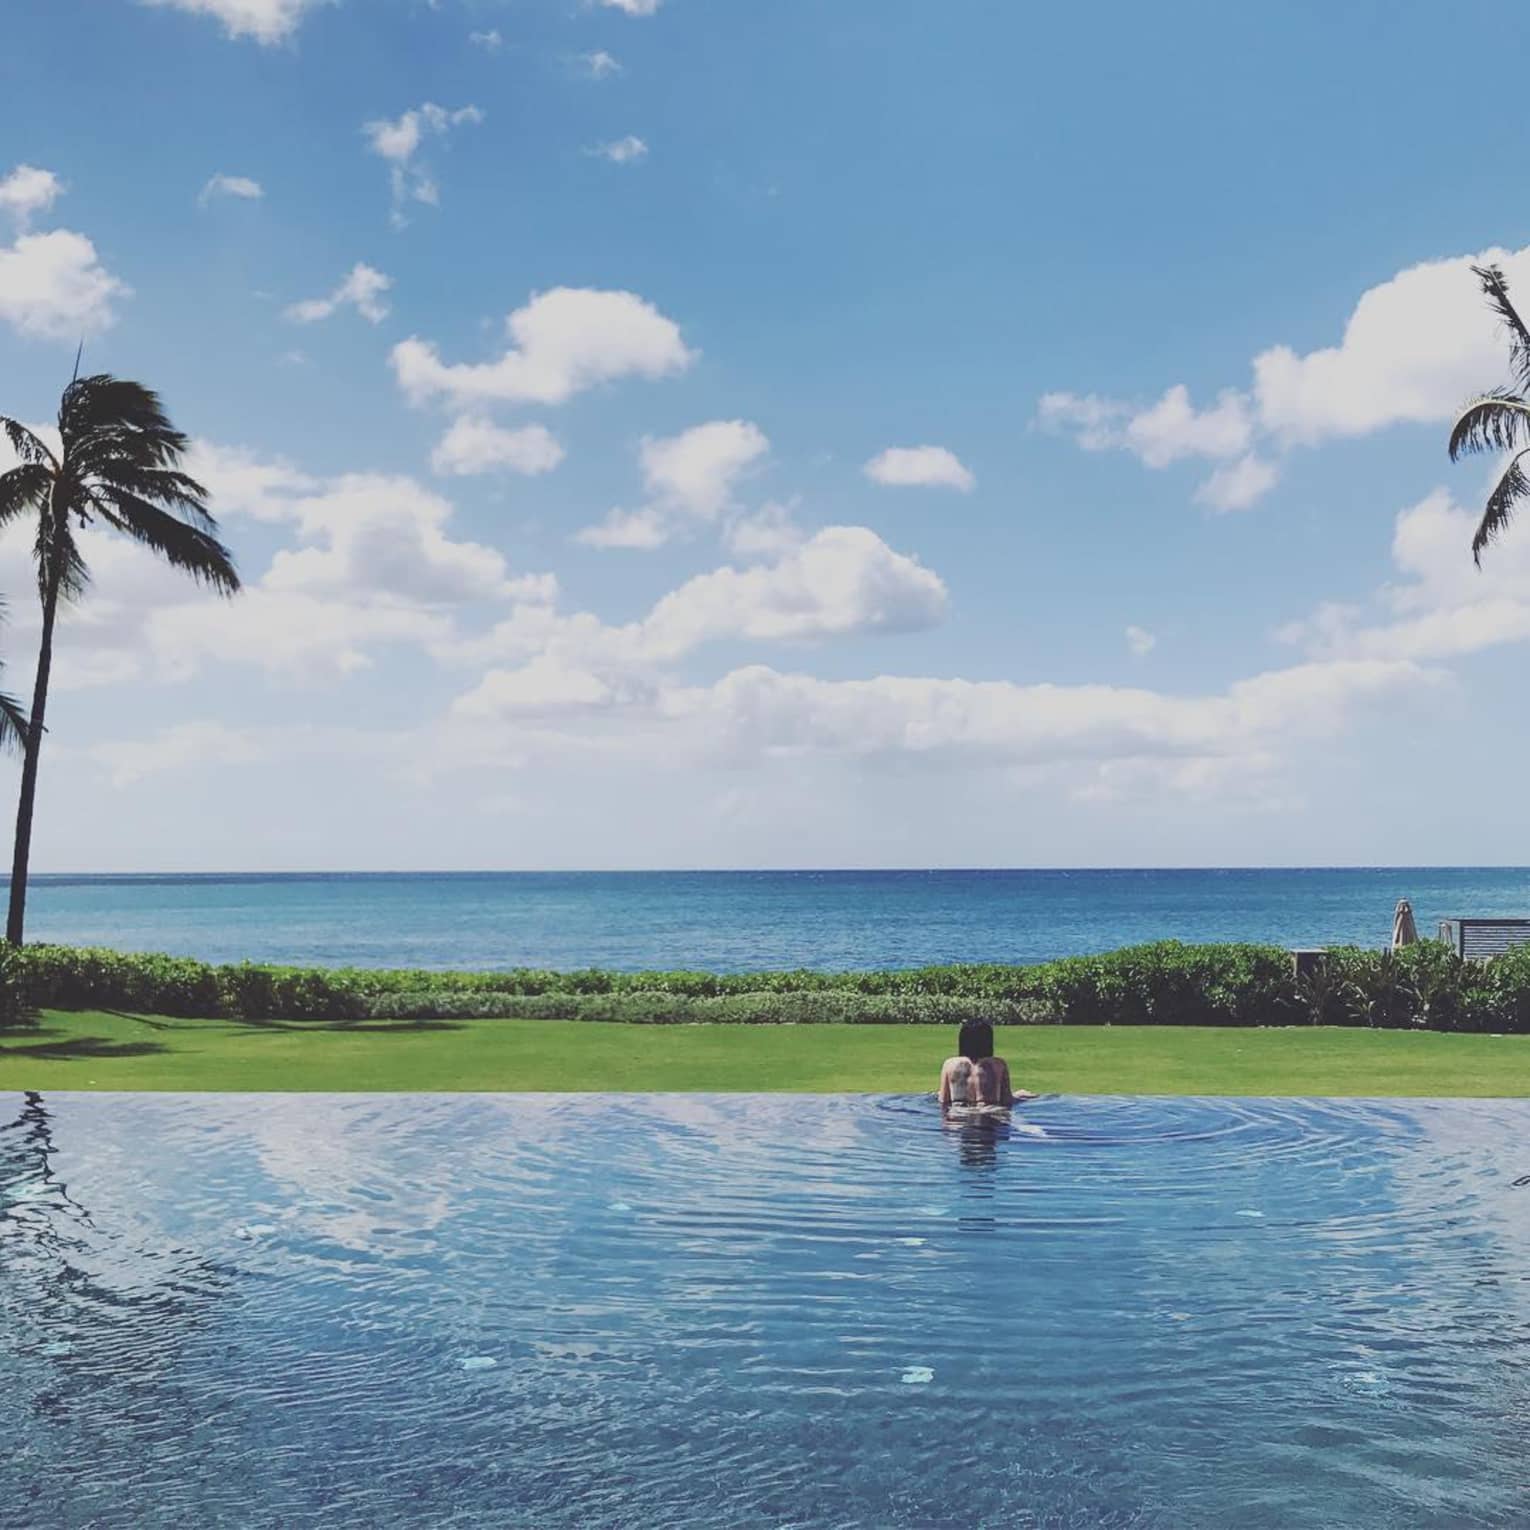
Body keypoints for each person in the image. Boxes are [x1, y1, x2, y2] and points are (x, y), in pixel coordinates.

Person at [938, 1020, 1034, 1110]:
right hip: (990, 1113)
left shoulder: (949, 1064)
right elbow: (1007, 1101)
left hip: (958, 1115)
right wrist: (1019, 1096)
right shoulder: (999, 1064)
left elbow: (943, 1101)